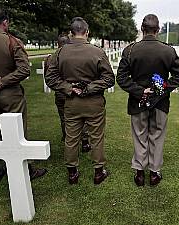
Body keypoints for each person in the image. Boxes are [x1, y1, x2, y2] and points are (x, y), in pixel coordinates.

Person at [0, 6, 47, 182]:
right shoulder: (12, 41)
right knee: (18, 130)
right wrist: (2, 81)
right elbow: (23, 70)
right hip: (10, 93)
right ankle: (27, 169)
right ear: (5, 22)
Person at [117, 14, 179, 186]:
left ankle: (140, 172)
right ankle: (154, 173)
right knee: (157, 135)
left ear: (142, 29)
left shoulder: (130, 50)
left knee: (140, 136)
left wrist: (142, 91)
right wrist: (159, 90)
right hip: (159, 101)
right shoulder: (168, 50)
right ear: (158, 30)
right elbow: (178, 77)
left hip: (139, 100)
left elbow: (122, 78)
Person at [45, 17, 115, 185]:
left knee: (71, 137)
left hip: (72, 102)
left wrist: (70, 88)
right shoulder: (97, 52)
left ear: (70, 33)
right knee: (96, 137)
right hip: (94, 102)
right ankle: (98, 172)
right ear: (87, 32)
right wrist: (88, 88)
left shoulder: (60, 52)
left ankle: (72, 173)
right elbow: (109, 79)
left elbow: (51, 78)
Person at [44, 34, 91, 153]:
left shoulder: (51, 58)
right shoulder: (75, 55)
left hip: (60, 92)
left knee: (64, 117)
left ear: (57, 44)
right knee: (82, 117)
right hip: (75, 92)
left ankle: (68, 139)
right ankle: (84, 141)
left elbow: (48, 77)